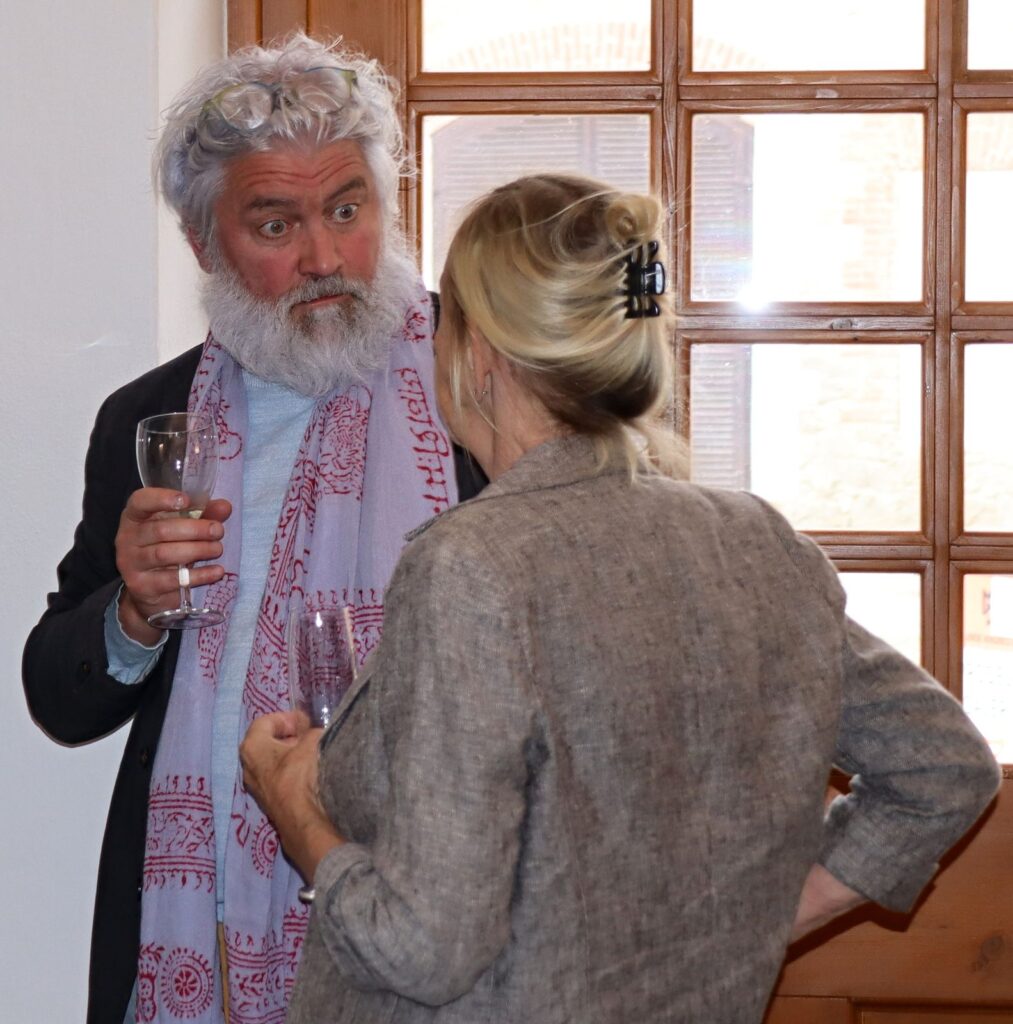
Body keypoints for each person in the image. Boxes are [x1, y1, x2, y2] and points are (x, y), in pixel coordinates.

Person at [240, 173, 1001, 1024]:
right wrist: (748, 925)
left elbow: (424, 949)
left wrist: (299, 814)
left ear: (478, 354)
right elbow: (941, 767)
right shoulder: (756, 541)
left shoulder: (473, 566)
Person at [23, 33, 482, 1024]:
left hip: (439, 935)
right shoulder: (149, 421)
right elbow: (59, 695)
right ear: (204, 246)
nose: (324, 258)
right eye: (276, 224)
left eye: (348, 210)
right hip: (203, 942)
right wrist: (134, 612)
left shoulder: (481, 389)